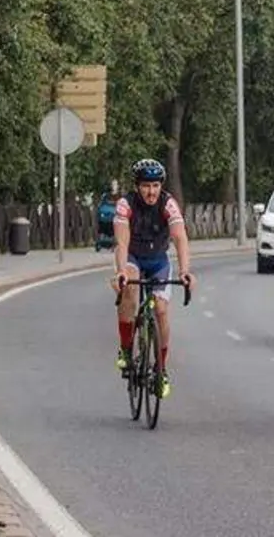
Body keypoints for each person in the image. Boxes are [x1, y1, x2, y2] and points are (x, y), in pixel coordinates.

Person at [111, 158, 194, 399]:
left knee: (160, 310)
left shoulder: (169, 204)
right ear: (137, 186)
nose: (151, 191)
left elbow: (180, 237)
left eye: (156, 185)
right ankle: (126, 349)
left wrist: (185, 270)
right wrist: (121, 271)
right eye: (146, 186)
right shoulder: (125, 204)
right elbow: (121, 241)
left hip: (158, 260)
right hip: (133, 257)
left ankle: (161, 369)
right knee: (130, 291)